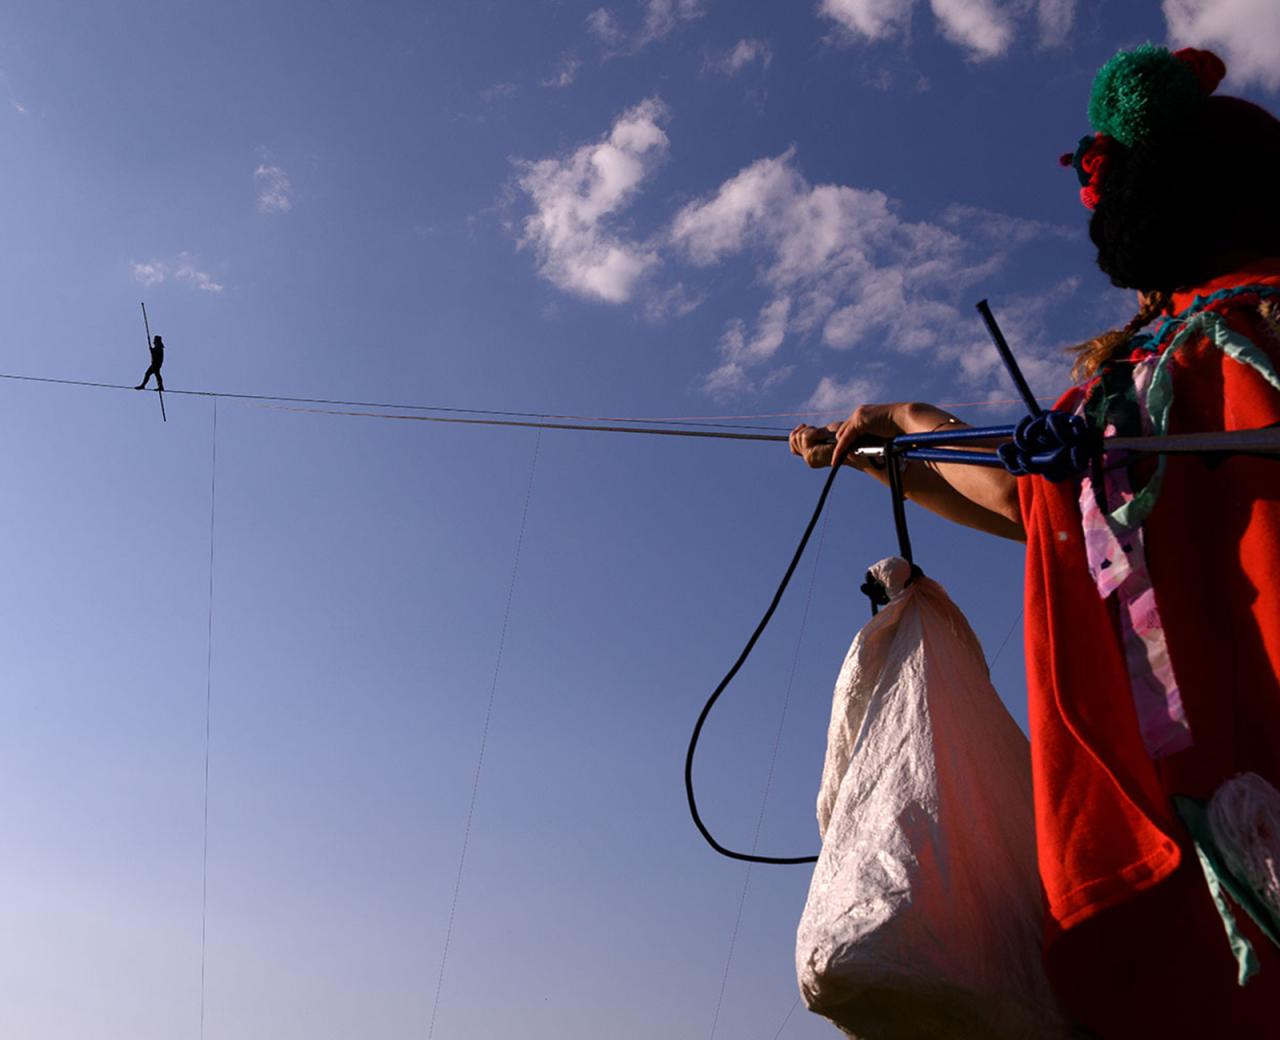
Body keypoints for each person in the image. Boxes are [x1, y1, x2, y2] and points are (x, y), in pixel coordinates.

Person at [790, 45, 1280, 1037]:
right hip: (1210, 817)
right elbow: (1048, 505)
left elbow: (1051, 497)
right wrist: (901, 438)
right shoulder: (1150, 372)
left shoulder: (1217, 346)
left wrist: (908, 433)